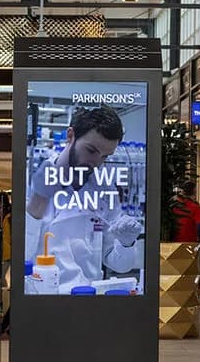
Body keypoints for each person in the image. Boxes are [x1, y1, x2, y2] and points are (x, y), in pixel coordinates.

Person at [24, 106, 144, 293]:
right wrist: (37, 204)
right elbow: (21, 257)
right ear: (70, 136)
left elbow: (118, 264)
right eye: (91, 150)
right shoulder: (31, 178)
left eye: (105, 156)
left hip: (87, 297)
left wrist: (126, 243)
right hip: (43, 297)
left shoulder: (104, 188)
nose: (96, 162)